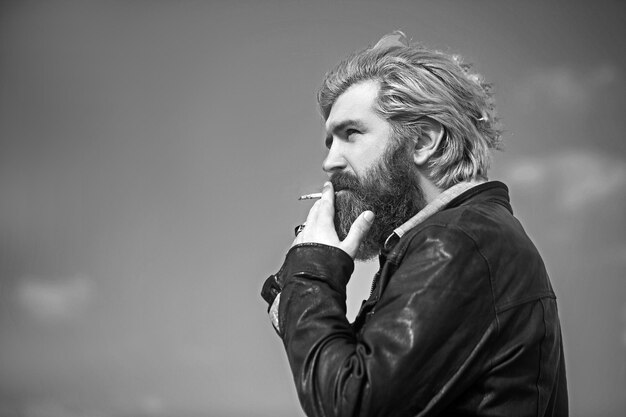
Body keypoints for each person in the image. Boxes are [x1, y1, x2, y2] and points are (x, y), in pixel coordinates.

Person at [261, 31, 568, 417]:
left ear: (423, 141)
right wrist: (291, 292)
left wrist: (311, 270)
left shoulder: (456, 243)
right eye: (329, 142)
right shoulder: (467, 237)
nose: (330, 162)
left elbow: (350, 402)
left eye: (351, 133)